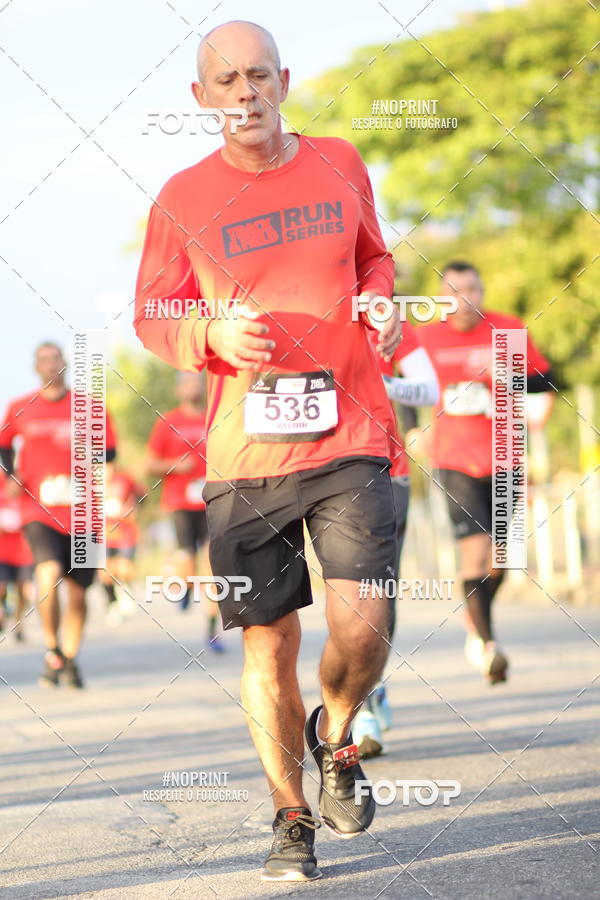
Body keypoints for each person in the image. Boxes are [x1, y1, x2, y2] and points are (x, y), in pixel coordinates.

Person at [134, 20, 403, 882]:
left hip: (351, 431)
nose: (245, 92)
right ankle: (291, 815)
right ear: (202, 97)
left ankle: (339, 734)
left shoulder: (339, 163)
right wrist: (209, 329)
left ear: (284, 80)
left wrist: (382, 302)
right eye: (226, 80)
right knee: (266, 643)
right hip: (246, 456)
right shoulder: (181, 197)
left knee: (363, 624)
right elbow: (154, 314)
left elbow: (375, 261)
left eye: (258, 75)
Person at [404, 261, 554, 684]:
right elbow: (400, 385)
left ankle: (476, 623)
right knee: (475, 549)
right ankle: (489, 647)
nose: (464, 299)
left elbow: (546, 379)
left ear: (482, 291)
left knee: (503, 561)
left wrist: (503, 382)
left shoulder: (507, 330)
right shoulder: (425, 338)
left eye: (471, 289)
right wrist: (412, 428)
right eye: (453, 291)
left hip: (505, 454)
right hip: (454, 460)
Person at [0, 342, 116, 688]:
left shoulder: (90, 407)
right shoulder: (21, 407)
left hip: (85, 511)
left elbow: (109, 452)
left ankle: (69, 657)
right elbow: (4, 445)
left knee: (79, 592)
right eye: (44, 360)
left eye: (56, 359)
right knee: (48, 572)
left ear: (65, 364)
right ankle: (52, 648)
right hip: (39, 508)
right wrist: (11, 476)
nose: (51, 365)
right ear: (37, 367)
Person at [352, 322, 439, 757]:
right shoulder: (298, 318)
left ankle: (368, 699)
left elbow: (428, 389)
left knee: (379, 592)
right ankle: (369, 691)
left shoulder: (391, 328)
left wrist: (383, 381)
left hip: (389, 472)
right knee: (349, 595)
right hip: (326, 477)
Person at [145, 373, 224, 650]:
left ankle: (213, 629)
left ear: (204, 388)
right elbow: (150, 463)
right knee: (187, 562)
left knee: (212, 562)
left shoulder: (217, 417)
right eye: (187, 383)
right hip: (180, 502)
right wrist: (174, 465)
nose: (193, 387)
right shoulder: (167, 421)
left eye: (197, 383)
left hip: (213, 499)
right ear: (179, 389)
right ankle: (187, 586)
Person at [99, 461, 144, 625]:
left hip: (125, 531)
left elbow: (141, 495)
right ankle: (112, 603)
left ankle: (125, 589)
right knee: (105, 571)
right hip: (102, 533)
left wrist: (132, 509)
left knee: (124, 568)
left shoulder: (125, 479)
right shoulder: (88, 482)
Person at [0, 470, 34, 641]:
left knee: (24, 593)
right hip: (3, 553)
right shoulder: (2, 500)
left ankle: (19, 624)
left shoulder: (27, 502)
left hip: (24, 555)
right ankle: (3, 613)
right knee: (2, 588)